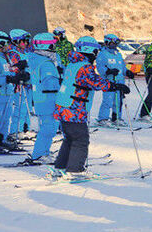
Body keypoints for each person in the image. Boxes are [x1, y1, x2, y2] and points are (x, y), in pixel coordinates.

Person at [50, 37, 129, 181]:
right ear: (90, 51)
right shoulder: (84, 66)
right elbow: (95, 82)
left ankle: (60, 167)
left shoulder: (73, 63)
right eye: (95, 51)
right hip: (73, 108)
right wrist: (115, 86)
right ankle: (75, 170)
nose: (96, 54)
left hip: (64, 106)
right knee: (81, 139)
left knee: (70, 138)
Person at [24, 33, 62, 162]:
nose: (54, 47)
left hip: (42, 99)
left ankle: (43, 152)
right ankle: (39, 154)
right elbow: (50, 82)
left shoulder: (36, 60)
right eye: (52, 44)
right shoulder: (46, 63)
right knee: (48, 128)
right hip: (49, 99)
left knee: (47, 128)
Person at [0, 31, 19, 152]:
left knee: (5, 119)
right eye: (6, 44)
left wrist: (17, 73)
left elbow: (6, 72)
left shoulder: (2, 57)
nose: (8, 47)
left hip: (5, 94)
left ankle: (0, 140)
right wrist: (8, 78)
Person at [95, 33, 127, 126]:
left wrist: (127, 71)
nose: (114, 45)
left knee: (118, 101)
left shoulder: (118, 54)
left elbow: (122, 66)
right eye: (112, 43)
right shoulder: (102, 54)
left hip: (119, 80)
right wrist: (108, 71)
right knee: (108, 100)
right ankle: (103, 119)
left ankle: (116, 117)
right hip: (109, 81)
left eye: (115, 44)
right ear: (107, 42)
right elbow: (100, 67)